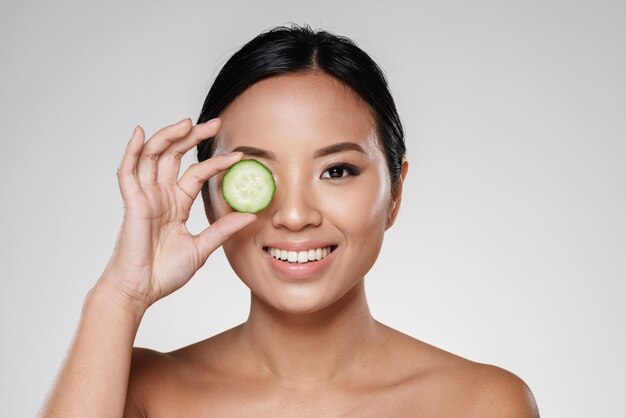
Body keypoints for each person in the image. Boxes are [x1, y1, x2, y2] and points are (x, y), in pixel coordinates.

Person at [40, 25, 539, 417]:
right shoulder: (141, 391)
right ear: (208, 194)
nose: (296, 216)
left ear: (396, 192)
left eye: (336, 170)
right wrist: (119, 295)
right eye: (257, 174)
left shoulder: (481, 403)